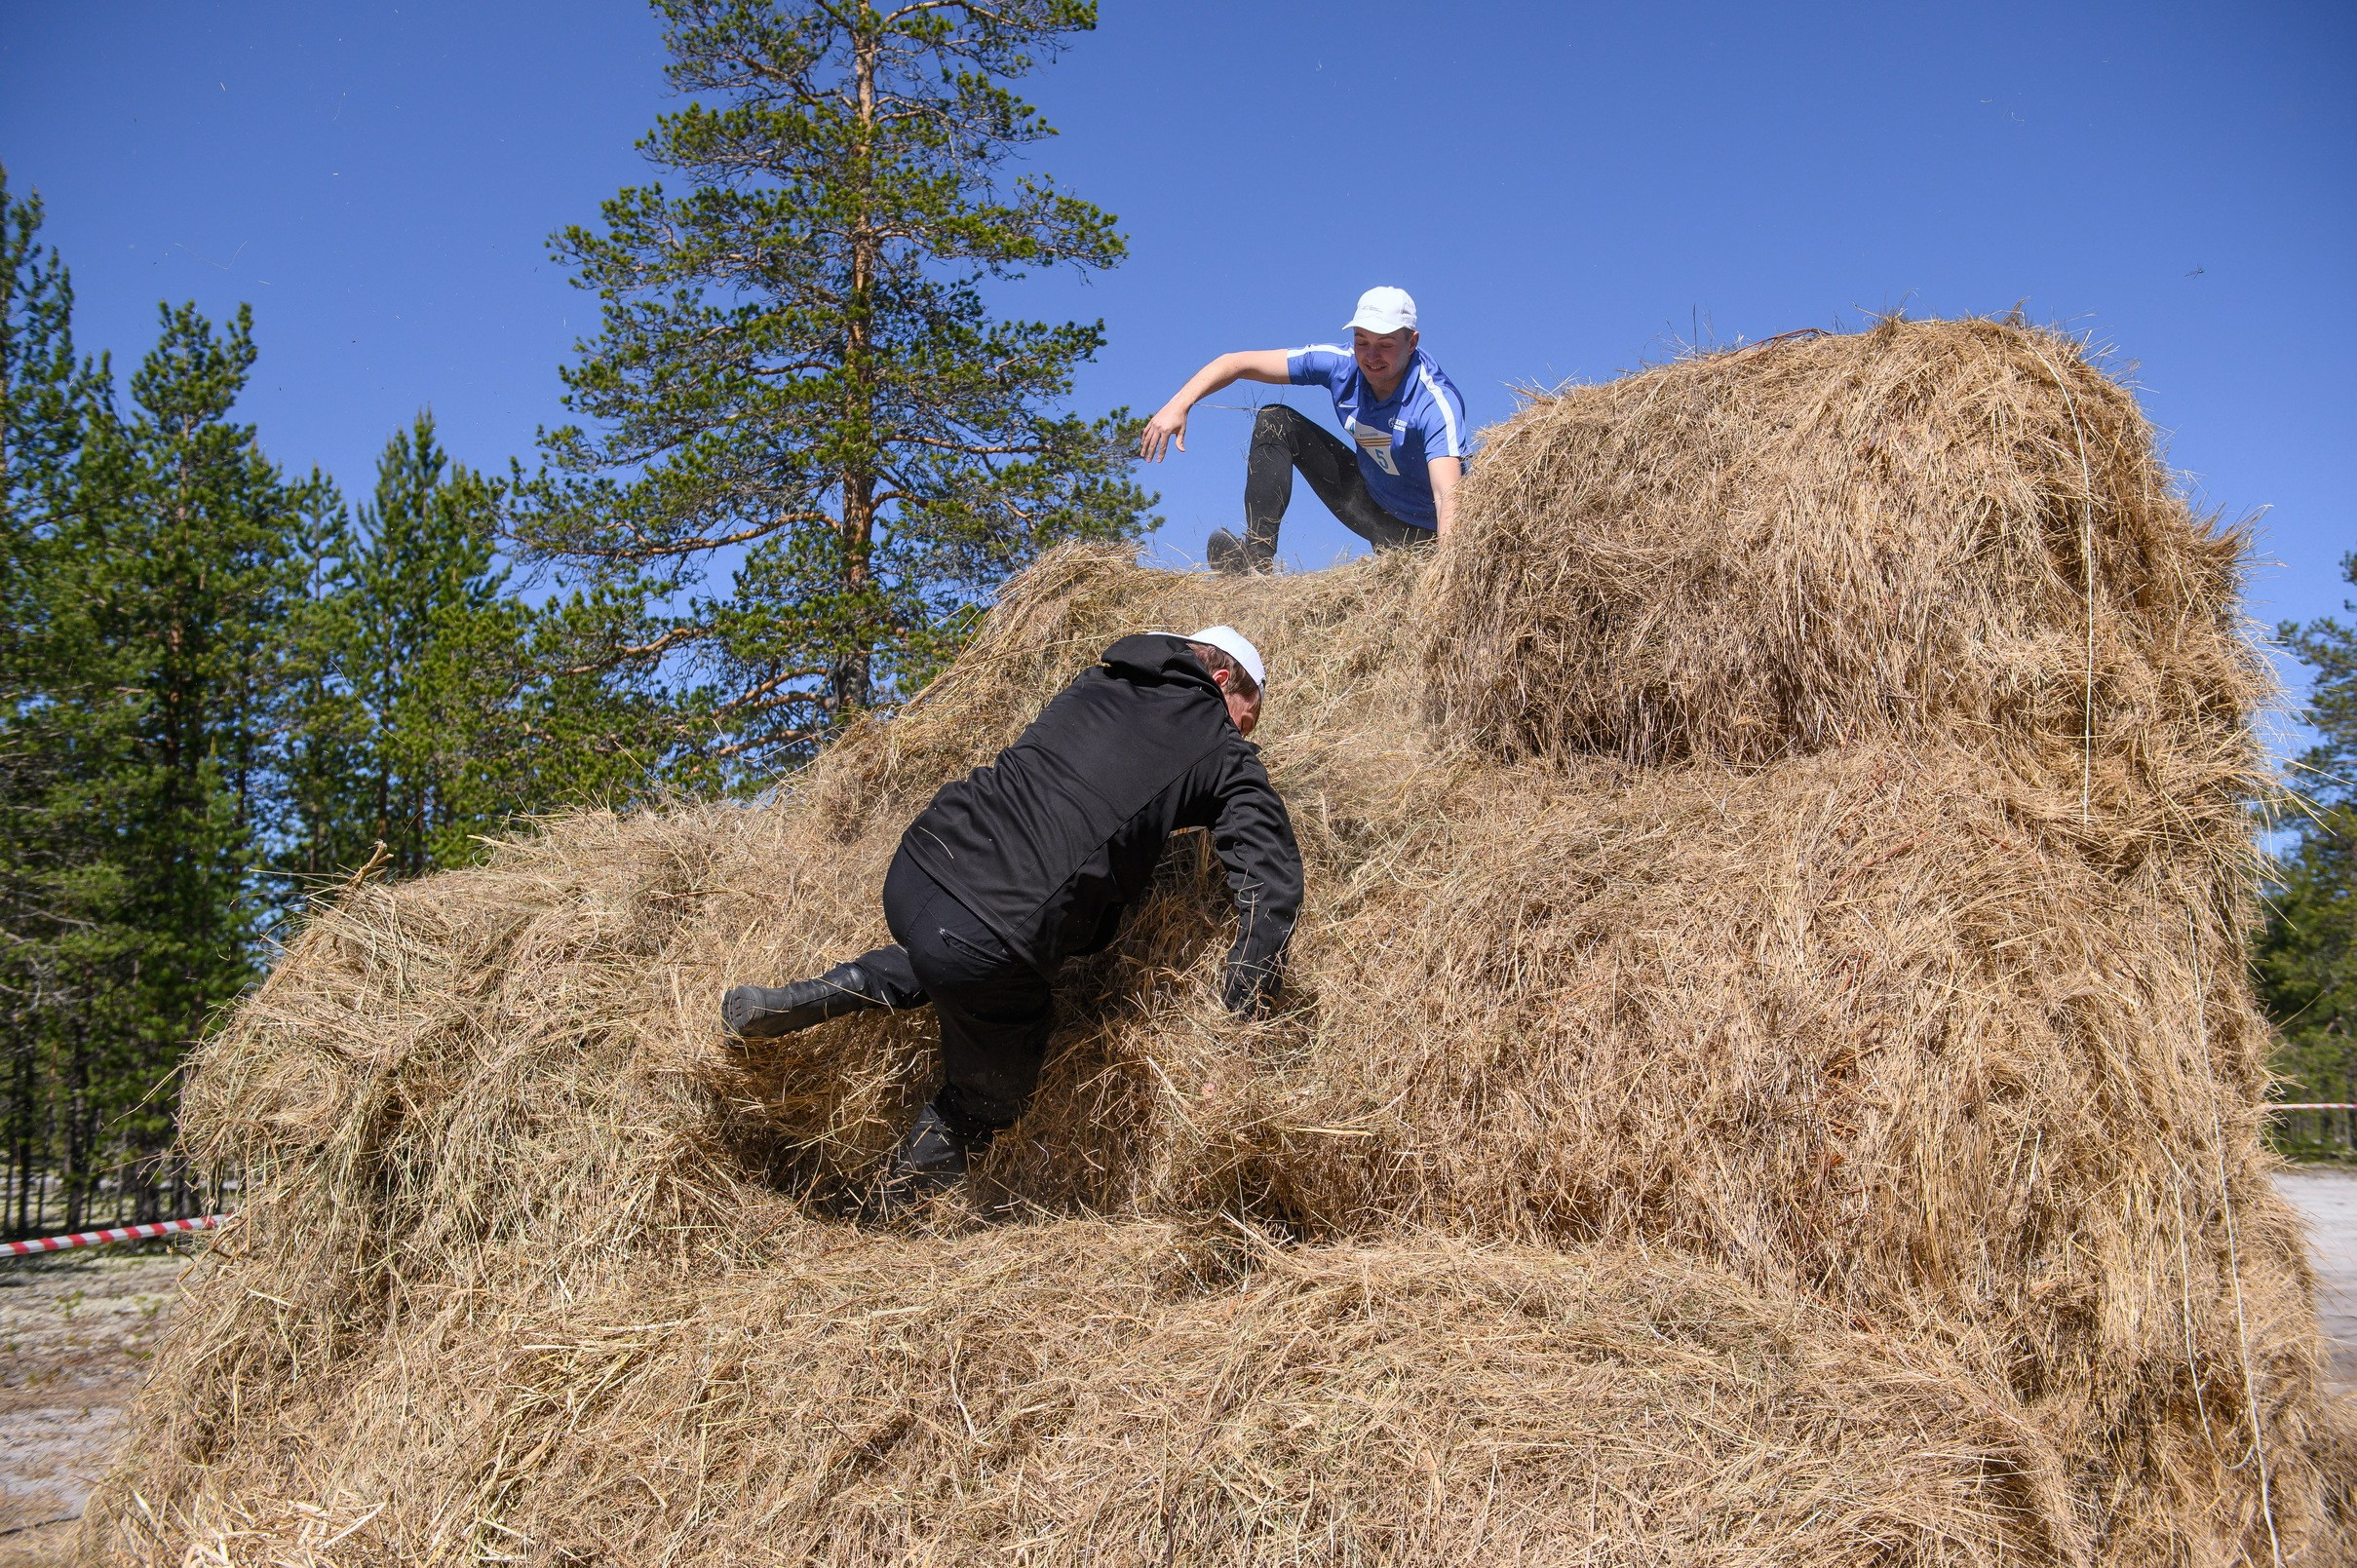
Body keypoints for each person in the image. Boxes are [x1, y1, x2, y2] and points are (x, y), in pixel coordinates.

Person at [722, 626, 1302, 1212]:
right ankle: (882, 1215)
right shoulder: (1221, 749)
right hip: (991, 935)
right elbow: (1271, 882)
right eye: (1250, 711)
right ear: (1222, 680)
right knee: (993, 1093)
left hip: (921, 866)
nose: (1248, 729)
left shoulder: (1101, 680)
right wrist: (1242, 1019)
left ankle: (809, 996)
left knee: (952, 953)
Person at [1139, 287, 1471, 574]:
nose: (1370, 356)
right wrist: (1180, 403)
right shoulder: (1340, 364)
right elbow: (1236, 363)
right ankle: (1257, 561)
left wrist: (1445, 578)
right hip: (1368, 502)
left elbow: (1448, 496)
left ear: (1411, 342)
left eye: (1385, 345)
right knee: (1275, 421)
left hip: (1423, 532)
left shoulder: (1434, 403)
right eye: (1361, 341)